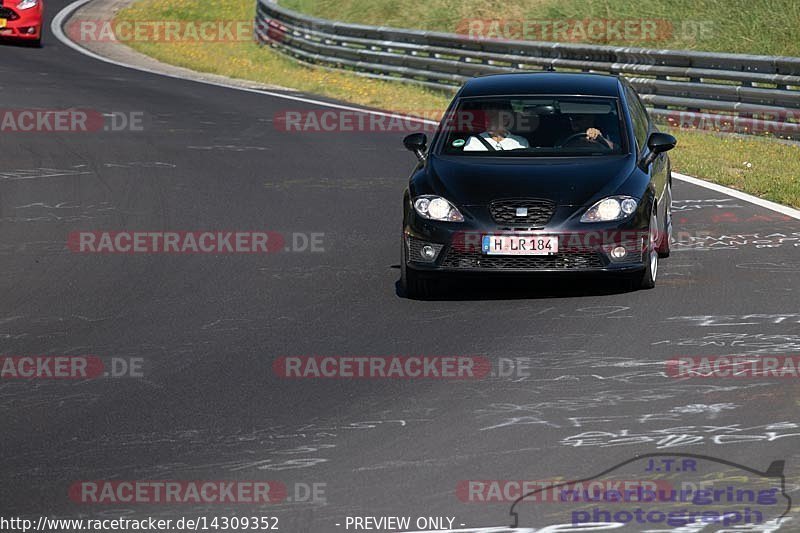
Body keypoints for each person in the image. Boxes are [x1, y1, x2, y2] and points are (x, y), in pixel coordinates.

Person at [463, 106, 530, 151]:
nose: (487, 121)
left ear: (505, 120)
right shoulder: (474, 141)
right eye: (485, 118)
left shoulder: (520, 142)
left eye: (492, 117)